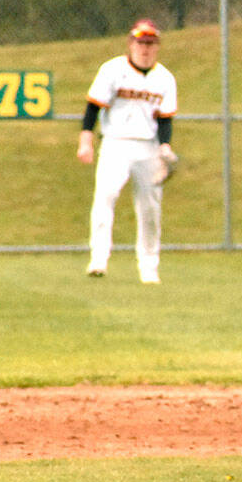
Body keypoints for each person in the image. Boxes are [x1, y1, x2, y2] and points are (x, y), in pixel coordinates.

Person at [77, 18, 178, 284]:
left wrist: (165, 147)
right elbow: (93, 108)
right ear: (131, 44)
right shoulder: (112, 70)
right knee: (105, 197)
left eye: (150, 43)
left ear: (157, 46)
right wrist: (86, 140)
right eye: (141, 42)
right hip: (115, 143)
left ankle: (149, 266)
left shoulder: (165, 78)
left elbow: (165, 119)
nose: (145, 48)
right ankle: (99, 259)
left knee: (150, 209)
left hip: (148, 147)